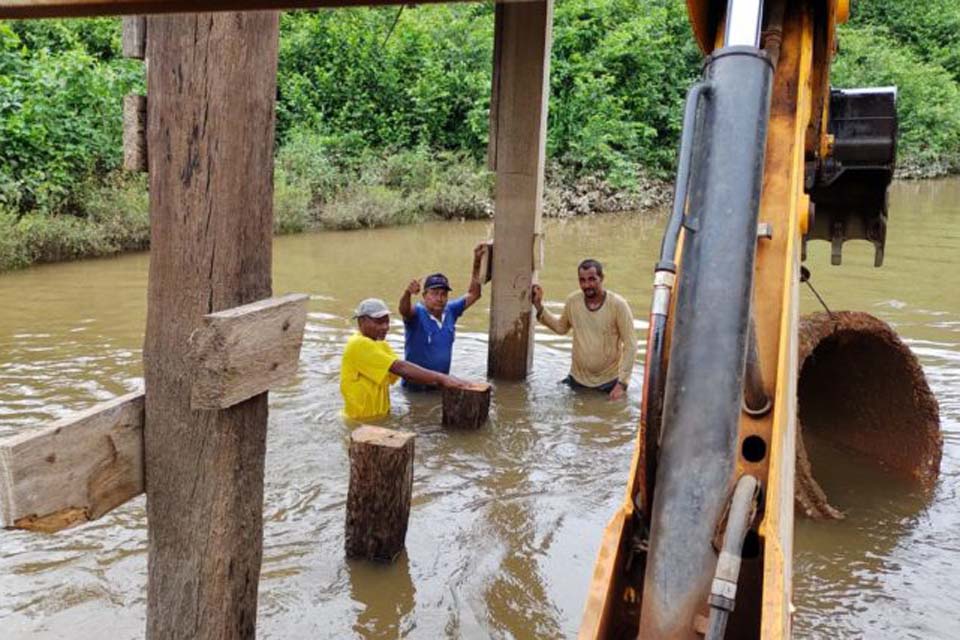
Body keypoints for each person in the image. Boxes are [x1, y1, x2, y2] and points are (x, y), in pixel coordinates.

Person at [340, 298, 468, 421]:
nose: (385, 327)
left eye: (387, 322)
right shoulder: (358, 344)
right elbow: (400, 368)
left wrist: (442, 383)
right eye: (379, 322)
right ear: (361, 321)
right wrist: (442, 378)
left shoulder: (380, 344)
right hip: (359, 421)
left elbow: (406, 373)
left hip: (380, 417)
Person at [531, 258, 637, 400]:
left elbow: (631, 345)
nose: (587, 285)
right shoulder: (573, 301)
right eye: (582, 280)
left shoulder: (618, 305)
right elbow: (561, 328)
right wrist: (538, 305)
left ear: (602, 278)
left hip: (608, 383)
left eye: (592, 279)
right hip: (576, 380)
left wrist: (622, 384)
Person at [398, 243, 486, 390]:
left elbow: (474, 294)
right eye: (434, 293)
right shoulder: (417, 314)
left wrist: (477, 262)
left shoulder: (450, 310)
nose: (439, 298)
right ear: (424, 295)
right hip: (415, 389)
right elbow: (404, 310)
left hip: (441, 386)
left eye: (443, 294)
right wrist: (407, 293)